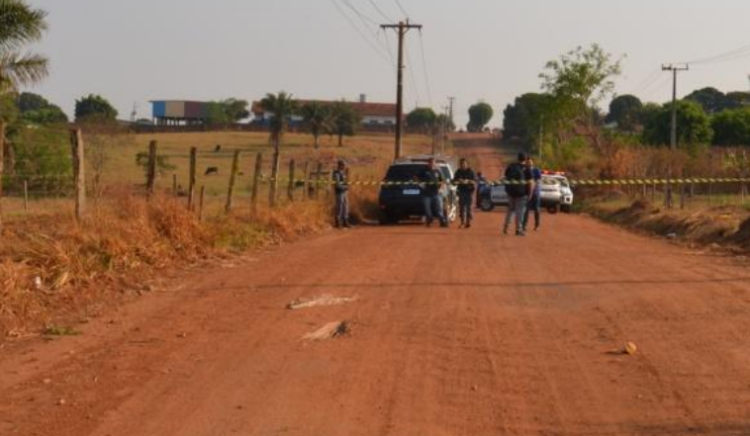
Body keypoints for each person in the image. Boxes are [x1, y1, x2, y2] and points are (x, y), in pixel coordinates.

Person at [503, 153, 534, 236]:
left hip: (510, 192)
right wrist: (530, 194)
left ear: (518, 158)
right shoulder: (527, 169)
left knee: (510, 210)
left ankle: (506, 227)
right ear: (525, 159)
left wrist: (507, 189)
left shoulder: (511, 166)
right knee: (519, 212)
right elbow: (530, 182)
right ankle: (518, 229)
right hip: (521, 193)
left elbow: (505, 178)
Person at [419, 158, 448, 228]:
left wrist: (441, 188)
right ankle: (429, 221)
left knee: (439, 211)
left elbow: (443, 181)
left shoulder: (438, 171)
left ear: (435, 163)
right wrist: (420, 183)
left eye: (433, 163)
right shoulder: (424, 170)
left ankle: (443, 221)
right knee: (427, 210)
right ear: (428, 163)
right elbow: (416, 177)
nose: (432, 164)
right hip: (426, 194)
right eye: (430, 163)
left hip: (436, 193)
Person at [453, 158, 477, 228]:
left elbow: (475, 180)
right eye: (461, 164)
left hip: (469, 192)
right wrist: (458, 181)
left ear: (466, 164)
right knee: (461, 208)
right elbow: (454, 181)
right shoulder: (458, 172)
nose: (463, 165)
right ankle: (462, 222)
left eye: (464, 164)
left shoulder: (471, 171)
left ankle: (468, 222)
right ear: (460, 165)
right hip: (461, 192)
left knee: (469, 208)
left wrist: (468, 181)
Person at [523, 158, 542, 232]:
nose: (529, 164)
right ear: (526, 164)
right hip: (527, 193)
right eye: (528, 163)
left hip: (536, 193)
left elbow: (539, 180)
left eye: (530, 163)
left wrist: (533, 183)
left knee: (537, 209)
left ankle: (537, 225)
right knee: (526, 210)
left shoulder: (536, 170)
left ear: (532, 163)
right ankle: (524, 225)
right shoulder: (524, 171)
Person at [332, 160, 350, 229]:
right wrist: (345, 187)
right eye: (343, 165)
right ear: (339, 165)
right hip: (339, 192)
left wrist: (346, 187)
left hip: (344, 192)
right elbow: (337, 185)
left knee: (346, 206)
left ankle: (345, 221)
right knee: (340, 206)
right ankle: (338, 222)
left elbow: (345, 182)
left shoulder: (343, 173)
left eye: (344, 165)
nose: (344, 166)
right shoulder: (336, 174)